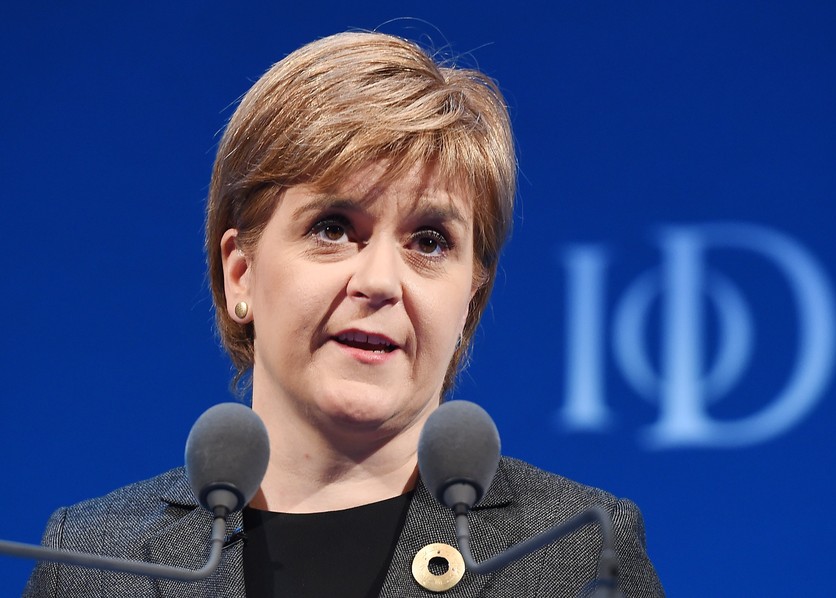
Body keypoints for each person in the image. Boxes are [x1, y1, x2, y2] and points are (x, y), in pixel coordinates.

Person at [24, 31, 664, 597]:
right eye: (333, 228)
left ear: (470, 293)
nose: (381, 281)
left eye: (430, 241)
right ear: (240, 272)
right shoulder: (94, 564)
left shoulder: (575, 556)